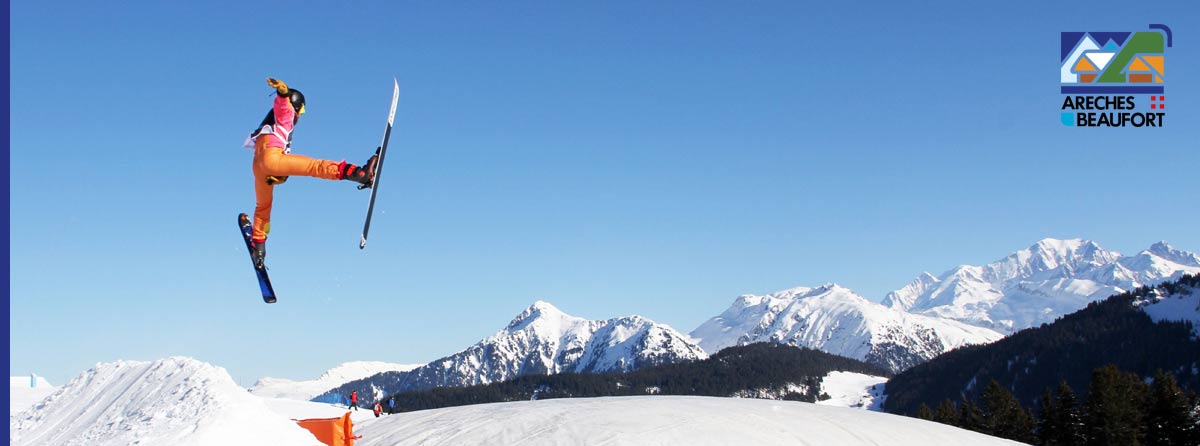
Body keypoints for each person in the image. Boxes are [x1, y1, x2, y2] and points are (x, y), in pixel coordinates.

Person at [244, 77, 379, 268]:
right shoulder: (284, 116)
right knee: (316, 166)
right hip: (272, 159)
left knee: (263, 206)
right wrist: (283, 93)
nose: (300, 116)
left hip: (258, 169)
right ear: (297, 107)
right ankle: (360, 173)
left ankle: (259, 247)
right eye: (301, 111)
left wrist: (279, 175)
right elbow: (284, 108)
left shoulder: (266, 127)